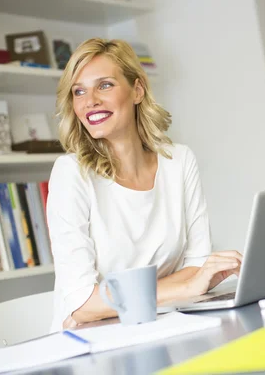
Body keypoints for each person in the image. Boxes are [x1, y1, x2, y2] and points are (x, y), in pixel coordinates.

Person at [47, 38, 242, 332]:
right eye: (79, 91)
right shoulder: (71, 174)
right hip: (93, 344)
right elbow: (83, 305)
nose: (90, 101)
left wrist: (110, 301)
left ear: (137, 90)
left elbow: (197, 266)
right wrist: (186, 287)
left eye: (105, 85)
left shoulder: (179, 161)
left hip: (165, 324)